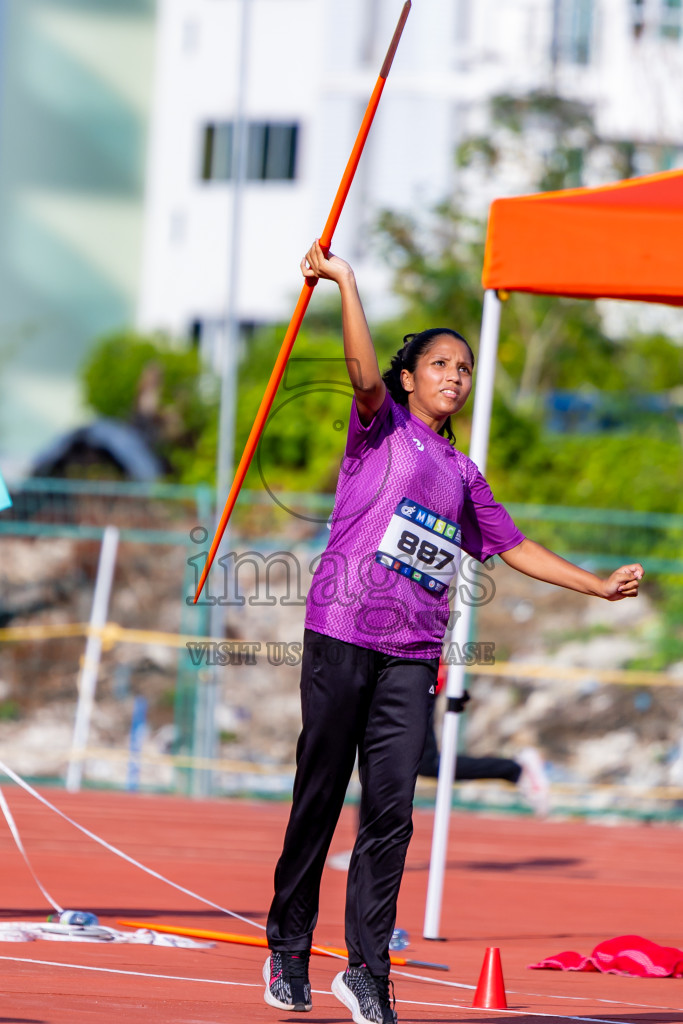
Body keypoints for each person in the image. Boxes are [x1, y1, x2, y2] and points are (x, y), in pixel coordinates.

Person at [263, 240, 643, 1024]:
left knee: (391, 813)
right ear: (410, 378)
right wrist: (345, 283)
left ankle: (367, 970)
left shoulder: (465, 474)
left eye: (464, 370)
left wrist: (597, 584)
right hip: (341, 634)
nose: (454, 378)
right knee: (319, 796)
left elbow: (516, 548)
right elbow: (363, 373)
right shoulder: (379, 429)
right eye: (440, 365)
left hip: (411, 656)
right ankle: (288, 948)